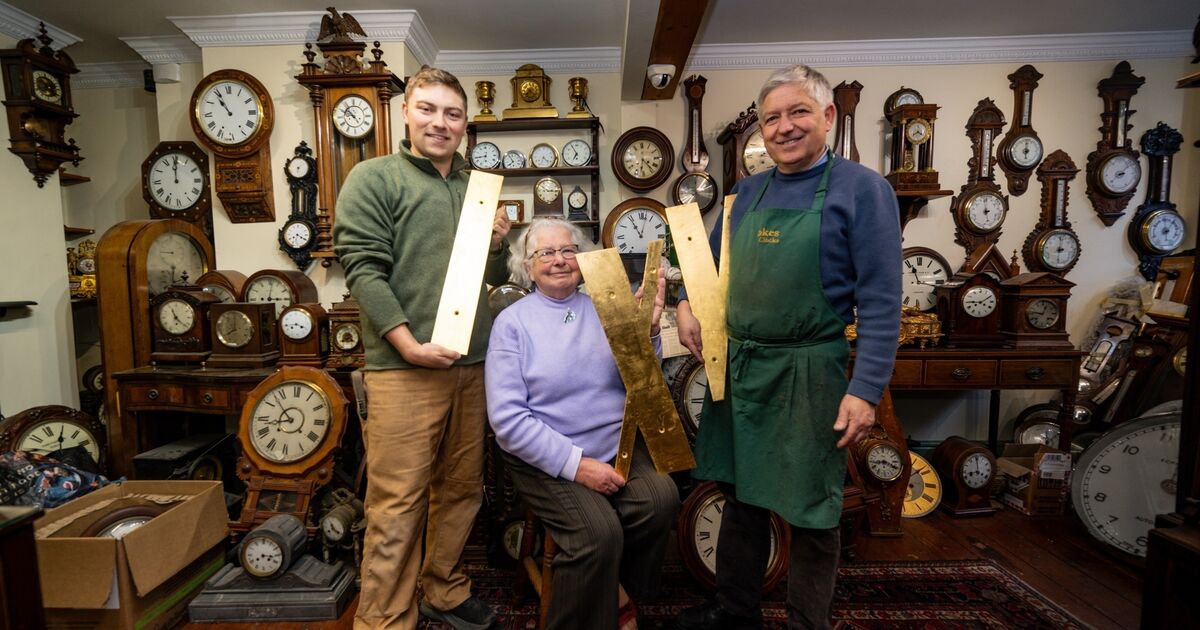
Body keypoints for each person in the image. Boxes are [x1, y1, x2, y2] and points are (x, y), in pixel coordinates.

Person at [673, 64, 902, 630]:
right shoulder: (746, 193)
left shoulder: (864, 190)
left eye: (798, 111)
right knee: (739, 497)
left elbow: (880, 302)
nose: (784, 127)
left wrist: (865, 390)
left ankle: (807, 622)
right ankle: (734, 612)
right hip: (742, 368)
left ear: (827, 116)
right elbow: (707, 270)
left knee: (814, 510)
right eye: (772, 117)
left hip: (810, 370)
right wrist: (684, 304)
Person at [334, 65, 512, 630]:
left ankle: (444, 588)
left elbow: (488, 275)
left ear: (465, 124)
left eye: (452, 113)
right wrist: (407, 345)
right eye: (429, 109)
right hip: (402, 369)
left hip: (472, 365)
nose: (440, 122)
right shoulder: (374, 177)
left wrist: (499, 246)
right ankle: (384, 618)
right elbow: (363, 269)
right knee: (397, 502)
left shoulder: (477, 187)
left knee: (461, 490)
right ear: (406, 113)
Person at [485, 217, 680, 630]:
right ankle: (597, 611)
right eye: (546, 253)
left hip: (613, 444)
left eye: (568, 250)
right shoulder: (512, 323)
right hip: (547, 457)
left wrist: (647, 331)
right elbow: (508, 420)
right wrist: (578, 466)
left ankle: (618, 590)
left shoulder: (606, 308)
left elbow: (643, 381)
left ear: (583, 259)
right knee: (598, 534)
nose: (559, 260)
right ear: (527, 264)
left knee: (660, 500)